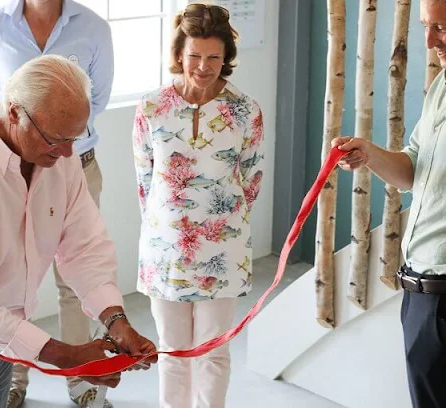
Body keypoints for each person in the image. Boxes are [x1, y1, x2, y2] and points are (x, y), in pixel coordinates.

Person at [0, 55, 156, 408]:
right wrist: (66, 356)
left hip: (9, 332)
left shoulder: (61, 157)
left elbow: (84, 249)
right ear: (13, 113)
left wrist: (117, 322)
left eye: (76, 136)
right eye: (56, 138)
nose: (69, 152)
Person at [333, 0, 446, 406]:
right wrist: (369, 154)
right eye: (425, 26)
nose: (428, 41)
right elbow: (413, 171)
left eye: (440, 27)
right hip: (420, 297)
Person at [0, 2, 114, 405]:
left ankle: (82, 382)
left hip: (75, 165)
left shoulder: (94, 28)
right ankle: (14, 381)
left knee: (74, 281)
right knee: (9, 281)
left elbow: (93, 101)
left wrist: (54, 135)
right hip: (10, 173)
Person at [132, 4, 264, 407]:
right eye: (194, 55)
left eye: (213, 57)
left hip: (223, 250)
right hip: (164, 248)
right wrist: (165, 228)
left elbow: (252, 180)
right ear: (178, 55)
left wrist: (219, 221)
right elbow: (144, 180)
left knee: (214, 350)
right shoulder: (151, 107)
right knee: (171, 350)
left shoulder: (245, 110)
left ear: (226, 59)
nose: (203, 66)